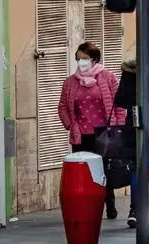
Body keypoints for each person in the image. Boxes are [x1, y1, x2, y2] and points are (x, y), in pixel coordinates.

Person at [58, 42, 126, 219]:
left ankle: (109, 204)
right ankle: (87, 208)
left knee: (104, 171)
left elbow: (119, 105)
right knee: (84, 173)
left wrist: (118, 126)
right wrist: (70, 125)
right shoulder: (70, 82)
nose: (81, 62)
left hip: (103, 133)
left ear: (95, 59)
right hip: (81, 134)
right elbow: (63, 107)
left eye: (85, 58)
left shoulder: (108, 77)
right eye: (78, 59)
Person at [113, 58, 139, 228]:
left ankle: (135, 210)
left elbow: (120, 100)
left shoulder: (130, 69)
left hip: (134, 126)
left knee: (137, 169)